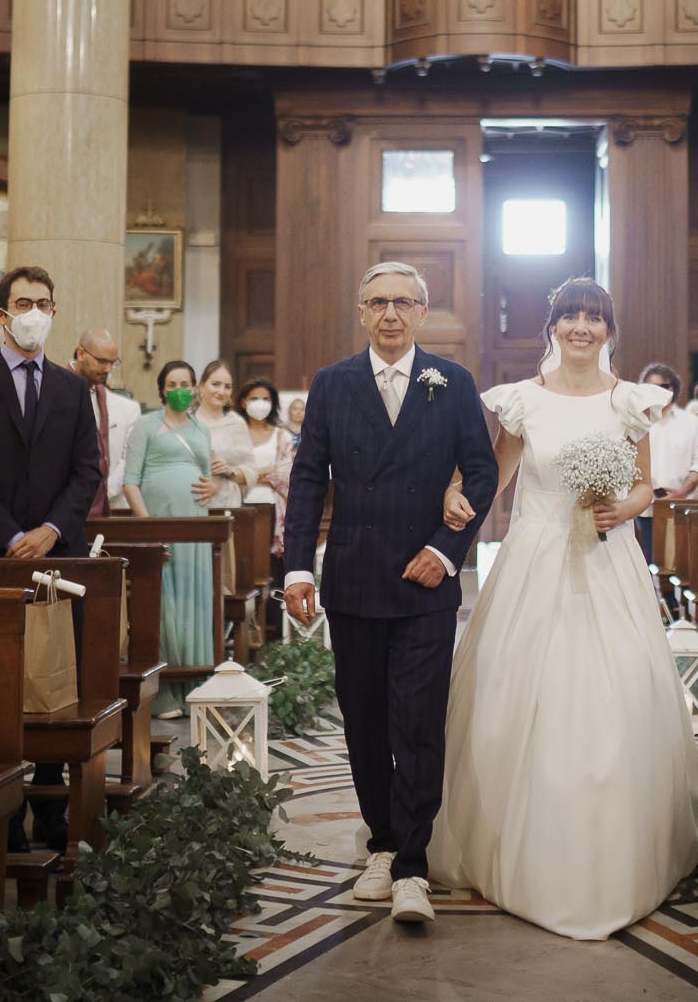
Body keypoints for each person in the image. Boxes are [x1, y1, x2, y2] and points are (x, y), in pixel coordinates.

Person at [428, 278, 698, 939]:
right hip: (536, 555)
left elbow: (644, 485)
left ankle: (616, 851)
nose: (582, 326)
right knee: (520, 691)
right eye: (571, 316)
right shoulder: (525, 400)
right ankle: (517, 846)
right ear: (552, 326)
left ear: (609, 329)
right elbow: (495, 474)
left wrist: (623, 508)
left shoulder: (628, 400)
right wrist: (455, 496)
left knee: (617, 693)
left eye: (594, 317)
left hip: (608, 560)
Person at [281, 262, 498, 927]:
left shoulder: (453, 382)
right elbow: (308, 478)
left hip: (425, 581)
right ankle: (381, 841)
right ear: (361, 312)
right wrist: (297, 569)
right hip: (354, 578)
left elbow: (482, 472)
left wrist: (445, 550)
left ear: (423, 312)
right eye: (378, 302)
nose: (391, 313)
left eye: (403, 302)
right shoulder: (333, 383)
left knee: (419, 721)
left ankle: (412, 865)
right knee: (365, 720)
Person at [0, 265, 101, 850]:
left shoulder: (72, 388)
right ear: (2, 314)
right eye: (24, 303)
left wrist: (51, 531)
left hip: (58, 556)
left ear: (54, 312)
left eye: (44, 304)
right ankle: (2, 810)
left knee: (55, 677)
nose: (35, 313)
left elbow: (87, 472)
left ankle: (51, 801)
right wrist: (13, 536)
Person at [124, 360, 218, 718]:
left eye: (185, 383)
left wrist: (213, 487)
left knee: (195, 600)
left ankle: (195, 689)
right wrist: (147, 529)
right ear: (162, 389)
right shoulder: (145, 425)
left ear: (194, 388)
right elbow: (130, 481)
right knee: (163, 604)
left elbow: (207, 477)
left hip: (195, 526)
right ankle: (163, 694)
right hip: (158, 524)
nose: (179, 389)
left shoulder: (201, 429)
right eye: (172, 384)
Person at [634, 362, 698, 562]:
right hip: (646, 506)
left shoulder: (691, 423)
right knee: (649, 563)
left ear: (673, 388)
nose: (658, 391)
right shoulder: (638, 423)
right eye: (652, 387)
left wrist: (681, 492)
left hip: (682, 505)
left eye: (664, 386)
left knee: (680, 563)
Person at [70, 329, 141, 516]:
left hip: (104, 503)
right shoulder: (56, 387)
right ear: (81, 354)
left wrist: (104, 491)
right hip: (66, 503)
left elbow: (126, 458)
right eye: (102, 361)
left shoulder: (106, 396)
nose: (108, 369)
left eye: (112, 362)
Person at [237, 378, 296, 557]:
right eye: (254, 399)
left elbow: (286, 474)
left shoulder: (282, 436)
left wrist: (245, 475)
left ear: (273, 404)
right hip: (236, 505)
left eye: (265, 399)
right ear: (244, 402)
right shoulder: (233, 434)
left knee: (265, 563)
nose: (260, 403)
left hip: (272, 508)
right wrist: (265, 471)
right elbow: (229, 472)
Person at [194, 359, 253, 511]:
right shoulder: (188, 421)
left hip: (227, 503)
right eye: (216, 384)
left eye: (227, 387)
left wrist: (229, 471)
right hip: (191, 499)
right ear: (201, 386)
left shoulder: (236, 423)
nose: (221, 392)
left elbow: (251, 470)